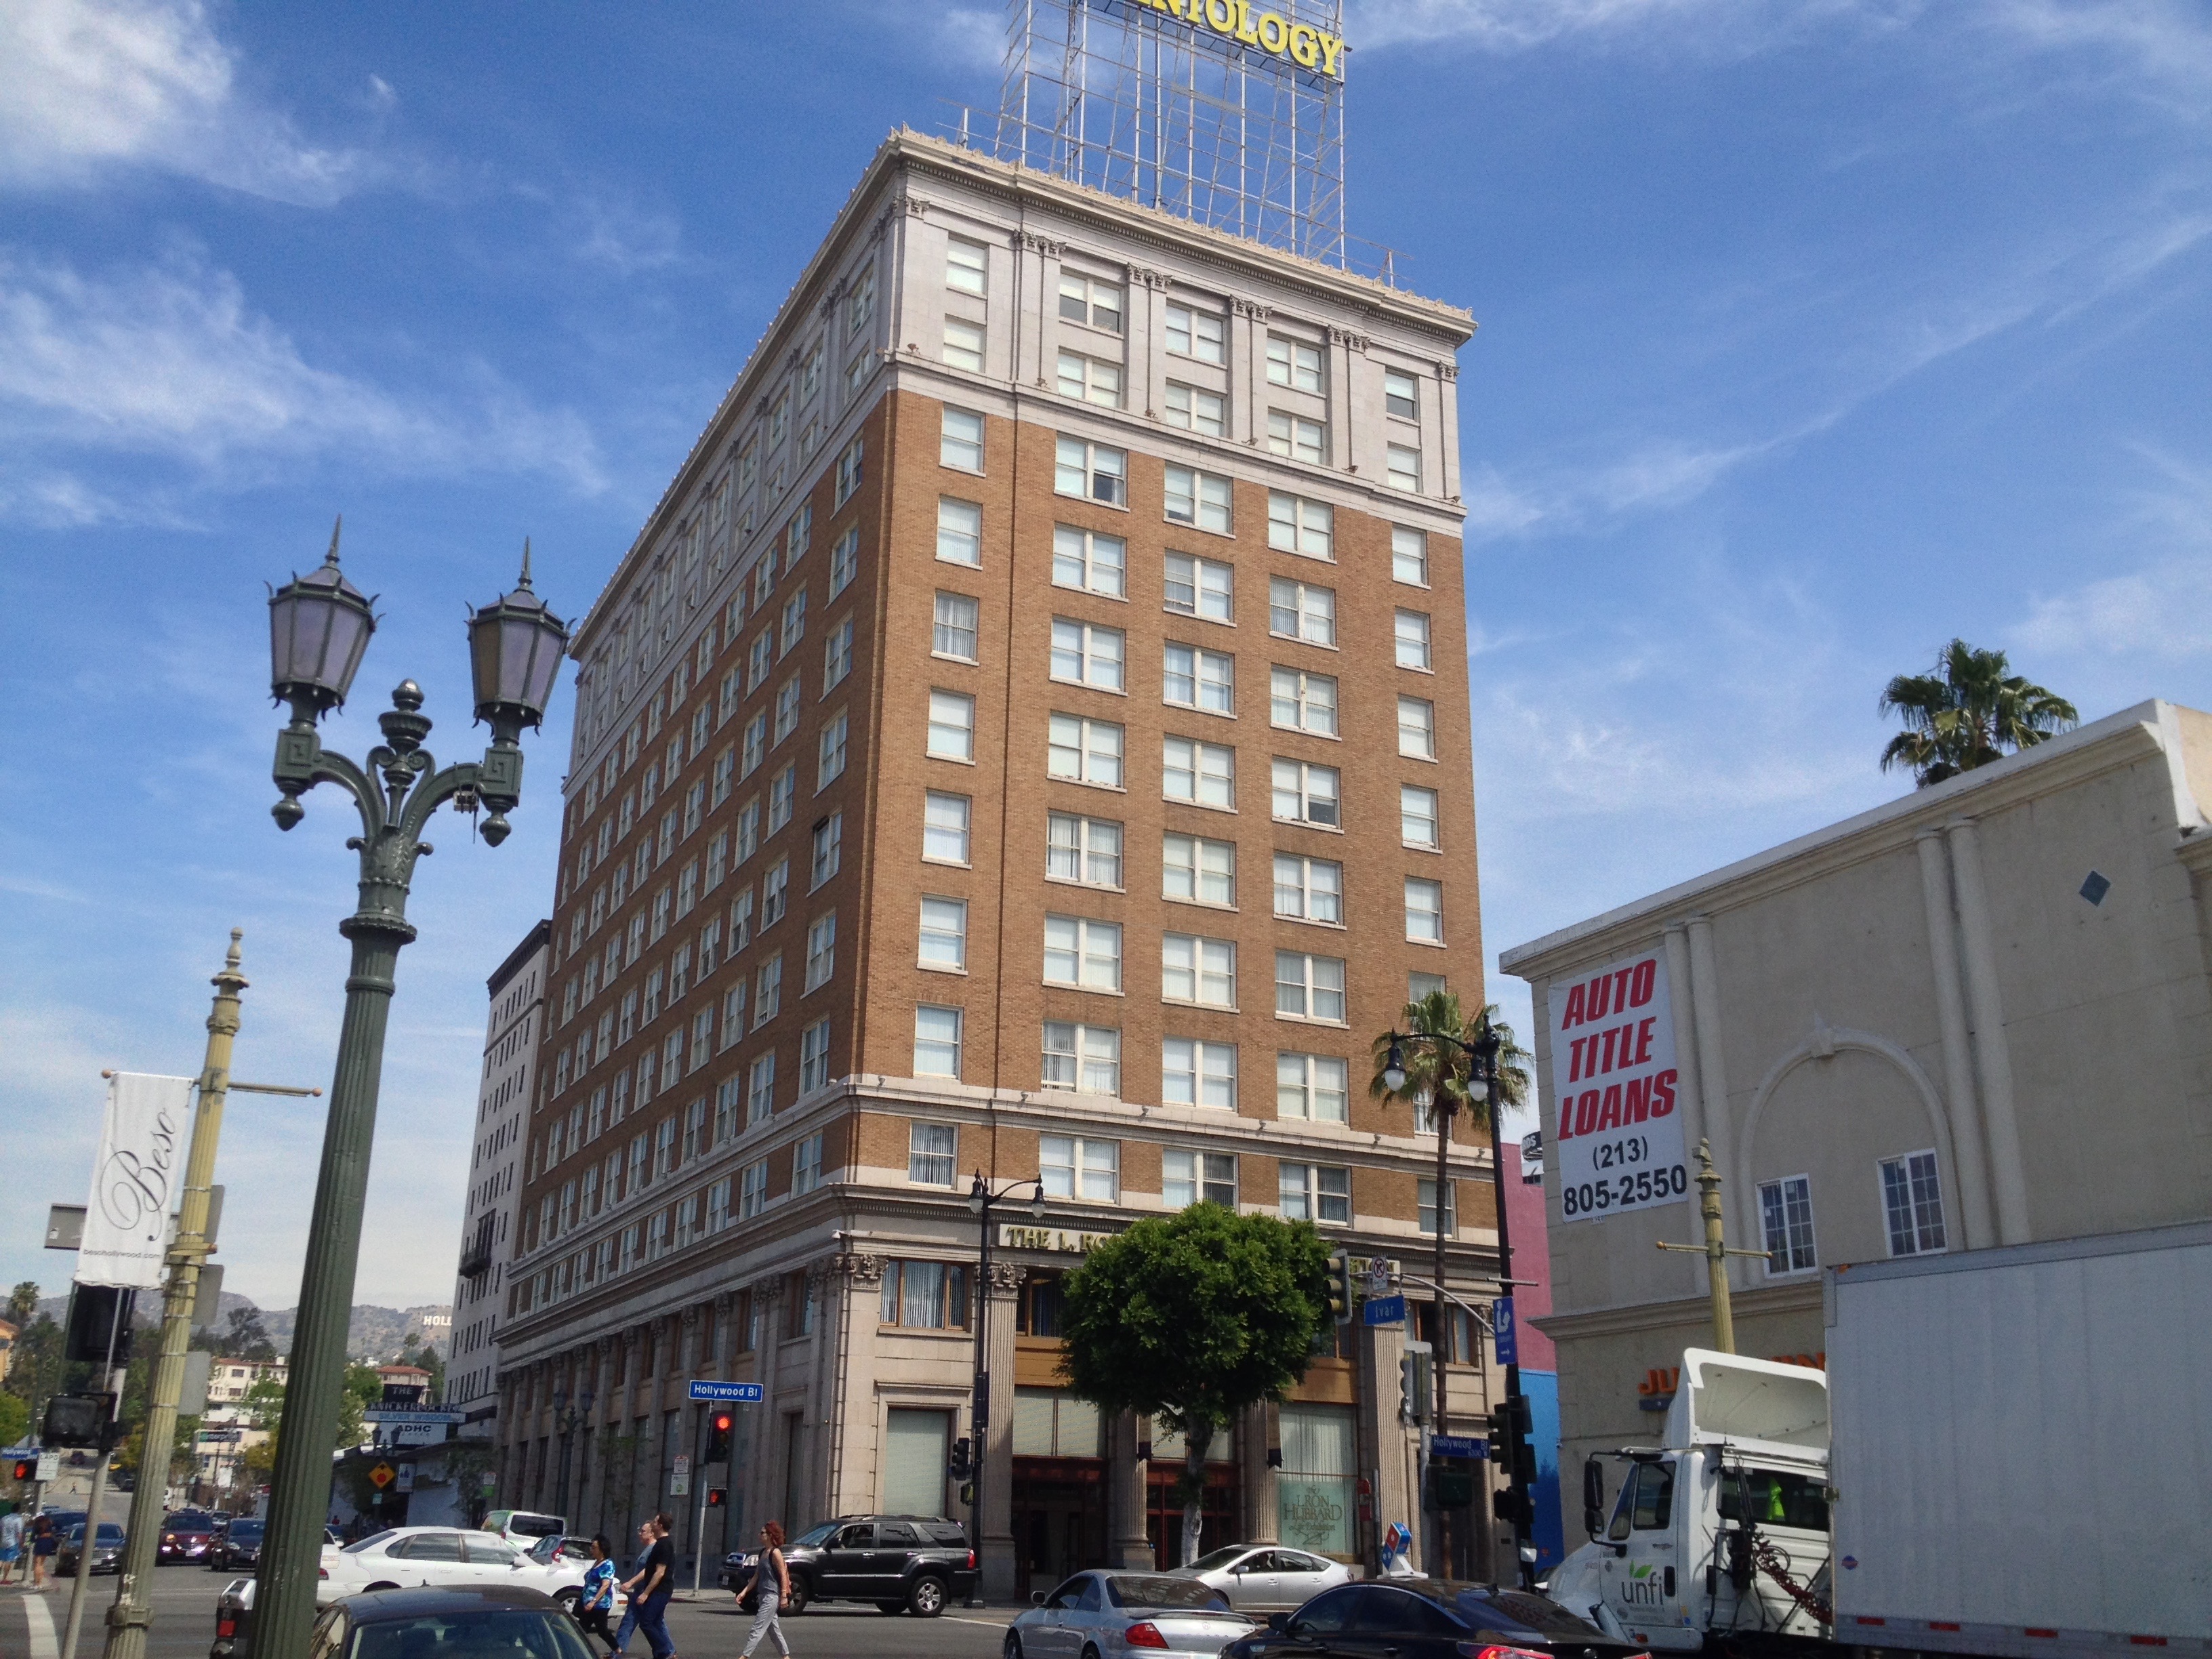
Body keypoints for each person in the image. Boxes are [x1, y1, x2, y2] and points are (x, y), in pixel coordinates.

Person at [737, 1521, 790, 1659]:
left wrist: (784, 1595)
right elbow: (757, 1576)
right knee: (773, 1630)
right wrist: (744, 1592)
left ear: (771, 1535)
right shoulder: (762, 1553)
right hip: (763, 1595)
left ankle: (745, 1656)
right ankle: (786, 1657)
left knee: (758, 1627)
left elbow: (783, 1574)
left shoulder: (775, 1553)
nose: (760, 1535)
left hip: (772, 1596)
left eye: (763, 1533)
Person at [609, 1518, 659, 1658]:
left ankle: (667, 1651)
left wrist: (630, 1583)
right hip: (639, 1592)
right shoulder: (647, 1549)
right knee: (627, 1624)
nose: (639, 1534)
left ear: (651, 1534)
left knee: (655, 1625)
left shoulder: (654, 1549)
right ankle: (616, 1654)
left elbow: (648, 1571)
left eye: (643, 1531)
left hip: (646, 1593)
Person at [632, 1513, 678, 1659]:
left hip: (661, 1590)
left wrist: (645, 1593)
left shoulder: (664, 1545)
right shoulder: (660, 1543)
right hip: (657, 1590)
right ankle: (660, 1654)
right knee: (656, 1621)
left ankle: (665, 1651)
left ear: (661, 1526)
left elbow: (660, 1572)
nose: (653, 1523)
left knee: (646, 1622)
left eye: (656, 1521)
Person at [575, 1535, 619, 1654]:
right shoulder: (597, 1563)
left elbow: (605, 1585)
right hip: (588, 1604)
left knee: (601, 1631)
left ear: (602, 1549)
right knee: (581, 1630)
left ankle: (618, 1651)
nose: (591, 1550)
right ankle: (580, 1653)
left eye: (594, 1547)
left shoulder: (608, 1565)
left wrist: (593, 1601)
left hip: (599, 1605)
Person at [29, 1513, 57, 1591]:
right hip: (48, 1543)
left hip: (40, 1543)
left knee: (37, 1564)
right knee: (41, 1564)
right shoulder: (50, 1523)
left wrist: (35, 1539)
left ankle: (36, 1584)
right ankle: (40, 1583)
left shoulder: (37, 1525)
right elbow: (59, 1527)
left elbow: (32, 1538)